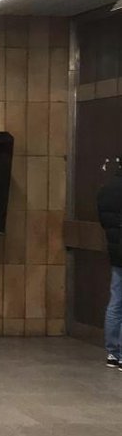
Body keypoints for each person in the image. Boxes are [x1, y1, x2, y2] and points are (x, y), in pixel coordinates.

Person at [97, 158, 122, 369]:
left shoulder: (106, 190)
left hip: (115, 252)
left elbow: (104, 221)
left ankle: (113, 353)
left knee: (115, 302)